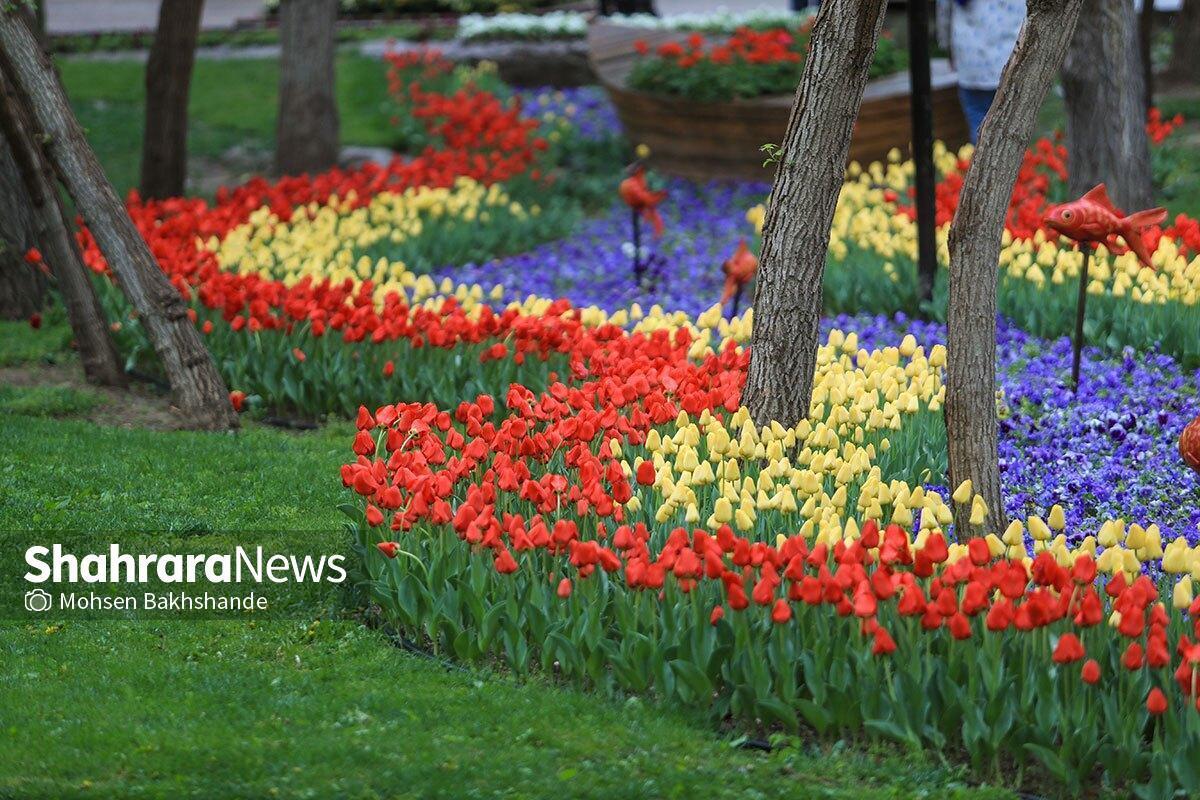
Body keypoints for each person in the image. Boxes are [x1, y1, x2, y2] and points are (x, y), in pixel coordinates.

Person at [936, 0, 1026, 143]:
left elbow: (944, 9)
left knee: (978, 129)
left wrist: (946, 45)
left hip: (972, 60)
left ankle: (981, 163)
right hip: (1012, 56)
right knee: (1013, 135)